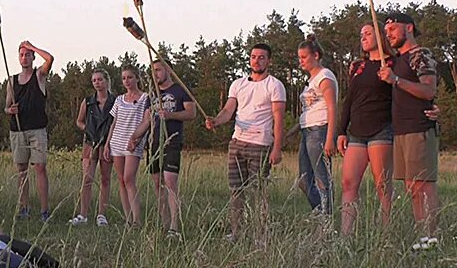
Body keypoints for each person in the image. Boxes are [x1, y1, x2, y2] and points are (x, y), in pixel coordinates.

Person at [206, 43, 286, 241]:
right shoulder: (238, 84)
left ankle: (261, 233)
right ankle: (236, 232)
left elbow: (279, 119)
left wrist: (277, 148)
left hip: (261, 144)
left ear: (269, 60)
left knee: (258, 191)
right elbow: (227, 111)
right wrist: (215, 121)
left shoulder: (275, 85)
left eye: (261, 57)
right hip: (237, 143)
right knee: (236, 190)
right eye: (253, 57)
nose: (256, 61)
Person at [377, 13, 440, 235]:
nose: (389, 35)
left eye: (393, 29)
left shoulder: (420, 55)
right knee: (412, 188)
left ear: (409, 28)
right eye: (386, 32)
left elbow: (428, 90)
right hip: (401, 130)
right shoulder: (396, 61)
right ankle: (422, 237)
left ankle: (430, 240)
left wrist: (395, 80)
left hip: (419, 128)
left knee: (423, 187)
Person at [337, 23, 396, 236]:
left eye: (368, 33)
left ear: (380, 36)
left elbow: (402, 93)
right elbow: (349, 99)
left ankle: (385, 234)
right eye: (361, 34)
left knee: (382, 185)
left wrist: (391, 78)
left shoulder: (392, 64)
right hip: (356, 132)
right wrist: (341, 130)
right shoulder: (357, 67)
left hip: (381, 129)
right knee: (348, 183)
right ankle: (346, 235)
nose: (363, 37)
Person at [129, 60, 196, 237]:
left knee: (170, 182)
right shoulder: (152, 95)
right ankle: (165, 224)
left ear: (168, 71)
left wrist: (171, 115)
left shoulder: (180, 90)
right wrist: (135, 138)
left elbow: (191, 113)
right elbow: (146, 121)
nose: (155, 74)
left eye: (158, 70)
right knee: (157, 184)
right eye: (152, 71)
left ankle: (175, 226)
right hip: (154, 142)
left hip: (172, 141)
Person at [5, 41, 54, 221]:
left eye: (28, 54)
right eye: (22, 54)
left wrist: (32, 46)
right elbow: (6, 107)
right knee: (22, 170)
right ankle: (24, 208)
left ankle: (44, 211)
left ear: (33, 57)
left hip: (37, 129)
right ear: (18, 58)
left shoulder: (39, 75)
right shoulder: (12, 81)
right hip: (18, 130)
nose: (24, 57)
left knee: (40, 167)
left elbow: (50, 58)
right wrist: (10, 111)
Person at [294, 36, 338, 218]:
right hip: (307, 131)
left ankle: (326, 217)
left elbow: (332, 107)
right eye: (299, 58)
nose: (301, 61)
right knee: (304, 180)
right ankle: (320, 210)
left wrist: (330, 139)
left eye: (304, 57)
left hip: (319, 130)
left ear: (316, 55)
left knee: (322, 178)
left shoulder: (325, 77)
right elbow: (307, 111)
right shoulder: (310, 82)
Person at [67, 69, 116, 227]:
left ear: (106, 81)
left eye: (100, 79)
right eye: (94, 80)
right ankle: (83, 214)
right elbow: (79, 121)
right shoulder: (88, 101)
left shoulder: (115, 101)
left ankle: (101, 214)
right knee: (87, 179)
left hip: (107, 143)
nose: (97, 83)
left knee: (105, 179)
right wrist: (87, 129)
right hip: (90, 143)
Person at [104, 66, 150, 227]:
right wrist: (107, 144)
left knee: (129, 178)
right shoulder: (119, 99)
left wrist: (137, 138)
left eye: (130, 77)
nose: (127, 81)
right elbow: (113, 123)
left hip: (133, 142)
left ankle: (137, 219)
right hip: (117, 141)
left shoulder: (145, 98)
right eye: (124, 78)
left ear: (137, 78)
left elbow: (147, 120)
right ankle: (128, 218)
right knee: (121, 180)